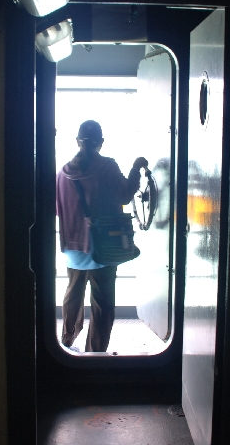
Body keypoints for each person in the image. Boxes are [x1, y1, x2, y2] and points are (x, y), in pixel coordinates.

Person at [55, 120, 148, 352]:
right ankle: (95, 353)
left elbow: (57, 209)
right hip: (104, 246)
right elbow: (125, 195)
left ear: (77, 141)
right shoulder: (107, 166)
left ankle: (66, 341)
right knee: (102, 303)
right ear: (101, 142)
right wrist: (136, 168)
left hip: (73, 247)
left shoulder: (63, 173)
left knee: (73, 294)